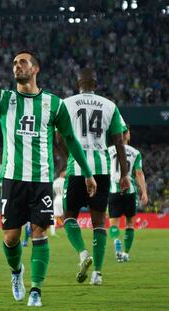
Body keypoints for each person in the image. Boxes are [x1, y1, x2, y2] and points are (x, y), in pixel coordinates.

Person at [0, 35, 97, 307]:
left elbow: (71, 140)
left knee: (39, 233)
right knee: (11, 238)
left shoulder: (55, 104)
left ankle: (36, 289)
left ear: (35, 69)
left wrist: (87, 172)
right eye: (14, 63)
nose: (17, 66)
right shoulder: (4, 98)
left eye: (23, 62)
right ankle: (17, 273)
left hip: (41, 181)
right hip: (12, 179)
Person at [60, 68, 130, 286]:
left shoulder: (66, 103)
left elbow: (58, 138)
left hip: (77, 169)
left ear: (77, 83)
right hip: (101, 169)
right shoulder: (110, 106)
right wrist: (125, 174)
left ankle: (82, 253)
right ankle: (97, 274)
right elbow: (119, 142)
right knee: (99, 222)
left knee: (68, 217)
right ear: (96, 84)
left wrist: (70, 157)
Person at [108, 126, 148, 262]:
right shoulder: (135, 153)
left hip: (114, 190)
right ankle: (125, 253)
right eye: (129, 132)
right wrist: (144, 192)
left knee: (113, 223)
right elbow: (139, 173)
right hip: (129, 191)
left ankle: (116, 242)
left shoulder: (108, 151)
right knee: (130, 223)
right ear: (126, 135)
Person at [51, 170, 66, 236]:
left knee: (55, 216)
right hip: (63, 198)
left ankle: (53, 232)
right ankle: (65, 228)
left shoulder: (55, 181)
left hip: (56, 198)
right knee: (64, 215)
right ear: (62, 173)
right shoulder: (65, 181)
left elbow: (52, 190)